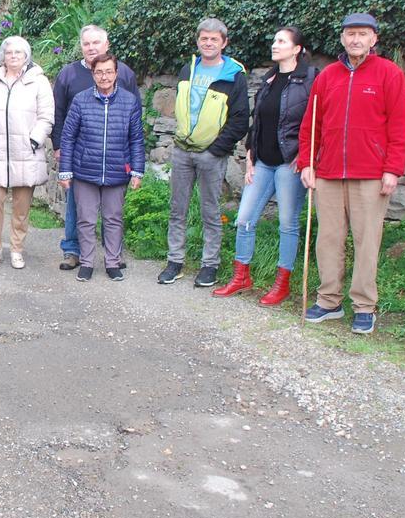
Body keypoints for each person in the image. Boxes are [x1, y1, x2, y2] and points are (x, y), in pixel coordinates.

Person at [299, 13, 405, 334]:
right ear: (342, 38)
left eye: (362, 34)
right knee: (329, 239)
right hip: (329, 172)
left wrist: (393, 169)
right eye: (350, 34)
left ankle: (364, 305)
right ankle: (329, 300)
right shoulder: (327, 77)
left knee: (366, 241)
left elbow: (401, 127)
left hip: (371, 174)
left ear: (374, 39)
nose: (355, 40)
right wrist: (307, 164)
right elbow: (311, 124)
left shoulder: (389, 74)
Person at [213, 27, 317, 305]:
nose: (275, 44)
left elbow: (315, 122)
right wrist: (249, 155)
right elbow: (257, 122)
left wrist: (305, 156)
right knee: (244, 218)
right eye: (274, 40)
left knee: (287, 224)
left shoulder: (309, 80)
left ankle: (282, 284)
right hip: (262, 161)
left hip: (289, 163)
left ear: (296, 49)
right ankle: (241, 277)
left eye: (281, 41)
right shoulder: (269, 79)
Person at [157, 18, 249, 288]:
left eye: (214, 39)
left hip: (212, 154)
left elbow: (240, 118)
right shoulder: (189, 69)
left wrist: (216, 149)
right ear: (198, 41)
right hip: (183, 151)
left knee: (210, 210)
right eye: (204, 39)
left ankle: (210, 265)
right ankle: (175, 261)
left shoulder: (234, 75)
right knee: (177, 209)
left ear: (224, 43)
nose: (208, 43)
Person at [52, 24, 138, 270]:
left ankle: (113, 255)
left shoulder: (124, 74)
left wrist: (132, 159)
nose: (91, 47)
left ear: (106, 45)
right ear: (81, 46)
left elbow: (134, 115)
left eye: (96, 43)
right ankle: (73, 250)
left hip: (113, 155)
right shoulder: (68, 74)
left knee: (112, 212)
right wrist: (58, 146)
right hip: (79, 155)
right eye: (86, 43)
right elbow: (58, 112)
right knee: (77, 208)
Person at [0, 36, 54, 269]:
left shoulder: (38, 82)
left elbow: (46, 115)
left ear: (26, 56)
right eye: (9, 52)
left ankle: (17, 248)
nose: (13, 56)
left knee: (22, 206)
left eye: (18, 53)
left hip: (26, 152)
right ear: (3, 55)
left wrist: (35, 140)